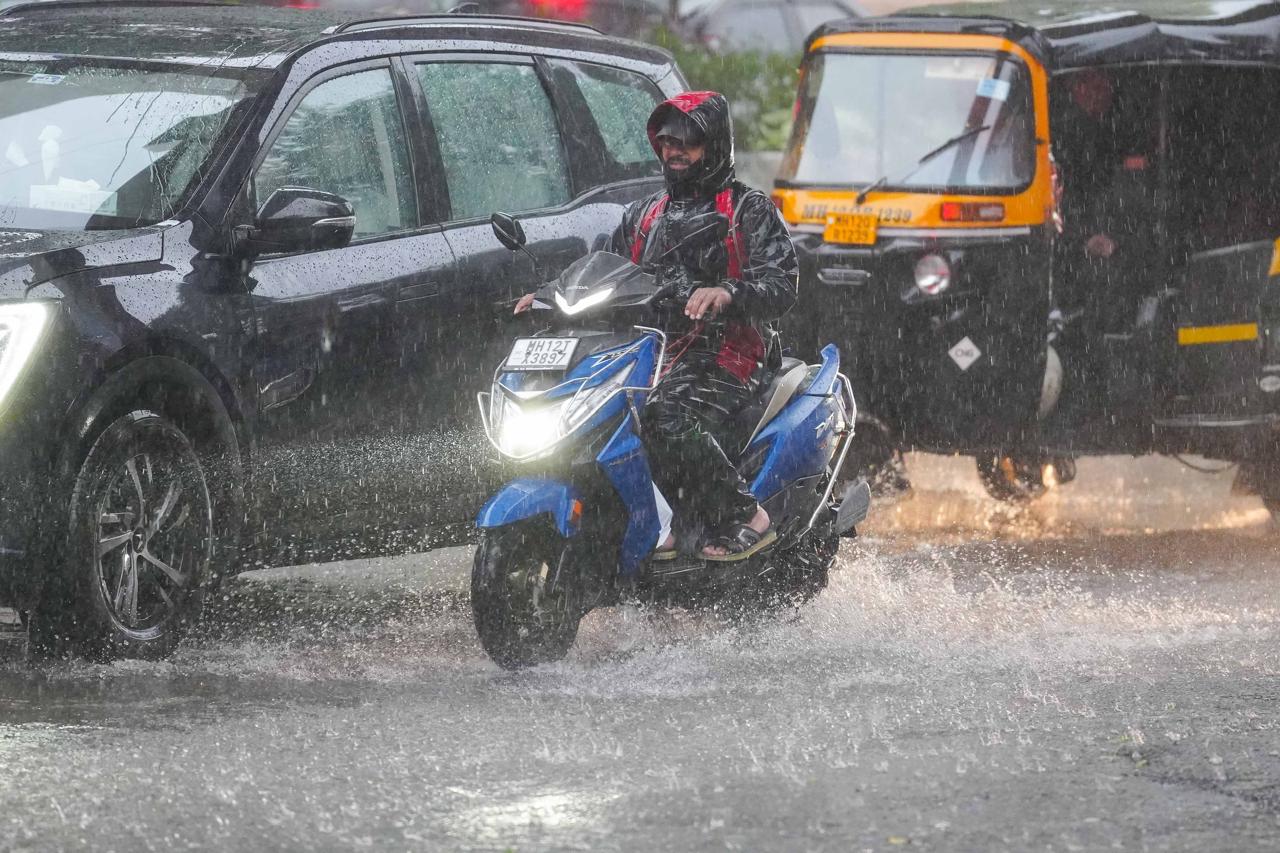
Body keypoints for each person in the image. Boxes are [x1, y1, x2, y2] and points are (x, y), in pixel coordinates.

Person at [517, 91, 798, 560]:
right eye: (667, 139)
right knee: (590, 416)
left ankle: (744, 515)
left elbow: (782, 283)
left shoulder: (748, 209)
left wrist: (729, 293)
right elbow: (602, 270)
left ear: (715, 143)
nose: (675, 149)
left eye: (688, 139)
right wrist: (548, 294)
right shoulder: (643, 215)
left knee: (664, 417)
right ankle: (644, 525)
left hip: (730, 350)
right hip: (649, 350)